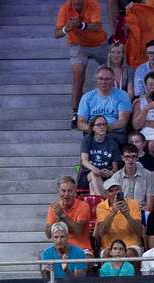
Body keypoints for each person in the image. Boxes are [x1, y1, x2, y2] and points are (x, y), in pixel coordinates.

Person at [54, 0, 107, 128]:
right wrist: (67, 28)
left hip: (98, 43)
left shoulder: (93, 4)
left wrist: (81, 25)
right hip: (77, 45)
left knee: (116, 65)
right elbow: (56, 34)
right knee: (77, 74)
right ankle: (75, 112)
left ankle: (115, 103)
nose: (77, 2)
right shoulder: (65, 8)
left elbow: (97, 26)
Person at [77, 65, 132, 140]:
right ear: (96, 80)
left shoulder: (122, 95)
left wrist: (104, 129)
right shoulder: (87, 97)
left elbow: (123, 121)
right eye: (100, 79)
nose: (103, 82)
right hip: (93, 133)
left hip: (115, 133)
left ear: (113, 80)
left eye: (107, 79)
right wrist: (94, 129)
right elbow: (80, 123)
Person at [46, 176, 93, 256]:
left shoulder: (83, 206)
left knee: (85, 260)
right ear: (59, 192)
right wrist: (57, 217)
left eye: (70, 191)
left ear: (75, 192)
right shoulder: (54, 207)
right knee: (45, 260)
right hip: (60, 248)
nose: (66, 194)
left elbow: (78, 231)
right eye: (63, 191)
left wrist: (63, 215)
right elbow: (48, 234)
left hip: (81, 248)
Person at [94, 183, 143, 258]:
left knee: (130, 253)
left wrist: (127, 215)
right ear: (105, 194)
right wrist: (113, 212)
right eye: (111, 191)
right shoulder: (101, 206)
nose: (115, 193)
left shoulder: (133, 203)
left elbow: (139, 231)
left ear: (122, 191)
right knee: (107, 253)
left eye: (117, 190)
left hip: (131, 245)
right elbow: (101, 232)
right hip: (109, 246)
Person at [79, 114, 121, 196]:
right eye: (99, 125)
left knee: (92, 186)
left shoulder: (112, 143)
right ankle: (103, 200)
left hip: (106, 176)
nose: (102, 127)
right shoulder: (87, 139)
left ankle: (98, 204)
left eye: (104, 124)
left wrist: (110, 172)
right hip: (87, 174)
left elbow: (115, 168)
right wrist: (94, 169)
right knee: (94, 174)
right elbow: (84, 161)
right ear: (93, 128)